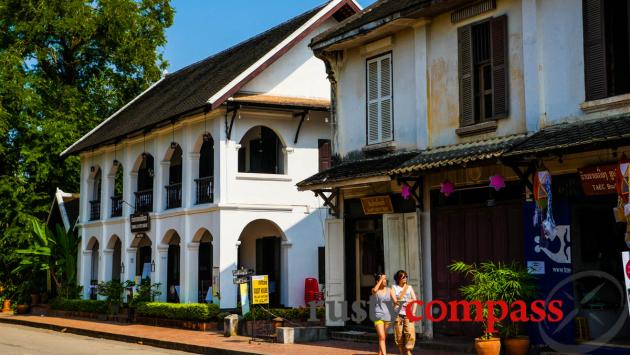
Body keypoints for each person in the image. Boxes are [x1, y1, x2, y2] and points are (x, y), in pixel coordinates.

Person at [392, 270, 417, 355]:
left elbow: (415, 300)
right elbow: (395, 301)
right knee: (398, 334)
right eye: (403, 277)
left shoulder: (409, 287)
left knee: (410, 332)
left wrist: (413, 312)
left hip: (408, 314)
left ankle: (408, 351)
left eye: (406, 276)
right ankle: (401, 352)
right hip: (398, 314)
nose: (405, 278)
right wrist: (404, 301)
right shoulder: (394, 288)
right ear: (399, 278)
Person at [371, 273, 395, 355]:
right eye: (383, 279)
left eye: (385, 279)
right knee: (381, 337)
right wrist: (381, 279)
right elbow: (374, 291)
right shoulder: (375, 290)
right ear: (378, 281)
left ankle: (380, 353)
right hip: (378, 316)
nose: (385, 281)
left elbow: (395, 301)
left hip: (388, 316)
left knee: (383, 337)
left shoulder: (390, 290)